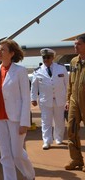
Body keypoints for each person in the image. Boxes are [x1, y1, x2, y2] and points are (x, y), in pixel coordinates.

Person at [0, 39, 35, 180]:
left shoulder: (20, 71)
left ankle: (30, 175)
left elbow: (26, 98)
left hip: (16, 118)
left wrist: (24, 122)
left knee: (17, 153)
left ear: (12, 53)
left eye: (3, 50)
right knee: (6, 154)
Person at [31, 48, 69, 150]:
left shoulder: (61, 68)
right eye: (44, 57)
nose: (46, 59)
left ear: (53, 57)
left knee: (59, 121)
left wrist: (68, 99)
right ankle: (47, 141)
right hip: (45, 100)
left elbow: (67, 84)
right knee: (45, 121)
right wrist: (33, 98)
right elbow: (34, 87)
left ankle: (59, 138)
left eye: (48, 57)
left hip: (60, 99)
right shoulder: (37, 71)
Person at [64, 34, 85, 171]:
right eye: (74, 44)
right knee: (71, 130)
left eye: (78, 44)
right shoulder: (73, 62)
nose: (75, 46)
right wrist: (68, 99)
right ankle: (76, 160)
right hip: (74, 101)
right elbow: (70, 82)